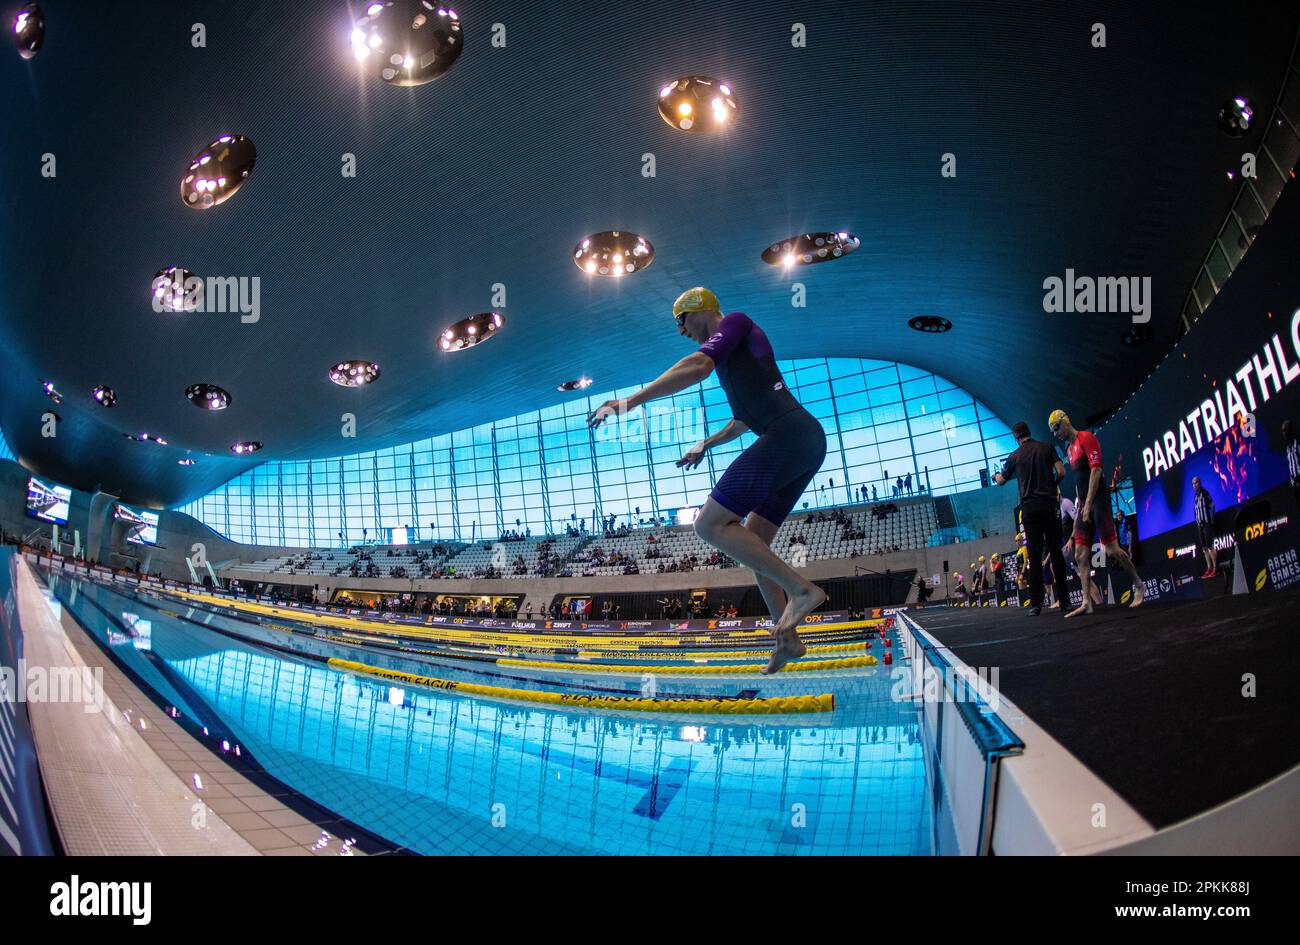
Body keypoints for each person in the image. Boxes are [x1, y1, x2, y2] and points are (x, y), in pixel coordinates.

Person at [588, 287, 827, 673]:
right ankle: (787, 636)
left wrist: (628, 402)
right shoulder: (737, 360)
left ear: (697, 310)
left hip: (789, 435)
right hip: (801, 441)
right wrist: (706, 444)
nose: (682, 331)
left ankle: (801, 590)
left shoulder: (735, 322)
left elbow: (697, 367)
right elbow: (743, 422)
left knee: (708, 524)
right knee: (756, 544)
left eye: (680, 322)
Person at [1049, 410, 1143, 616]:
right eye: (1052, 431)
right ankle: (1087, 602)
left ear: (1065, 422)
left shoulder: (1086, 438)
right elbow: (1078, 483)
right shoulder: (1070, 450)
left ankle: (1138, 584)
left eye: (1056, 428)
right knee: (1080, 554)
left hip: (1098, 501)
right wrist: (1081, 505)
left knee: (1112, 550)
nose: (1055, 434)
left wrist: (1090, 502)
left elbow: (1096, 471)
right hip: (1085, 504)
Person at [994, 421, 1069, 615]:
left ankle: (1036, 604)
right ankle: (1065, 601)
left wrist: (995, 476)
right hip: (1049, 504)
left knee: (1034, 556)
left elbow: (1001, 481)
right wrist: (1052, 486)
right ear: (1029, 432)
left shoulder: (1014, 457)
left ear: (1015, 437)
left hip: (1029, 508)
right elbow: (1061, 472)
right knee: (1056, 553)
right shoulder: (1047, 447)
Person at [1193, 475, 1217, 579]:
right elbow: (1196, 511)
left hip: (1207, 523)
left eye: (1196, 482)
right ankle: (1209, 568)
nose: (1194, 485)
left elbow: (1212, 505)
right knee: (1204, 548)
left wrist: (1211, 520)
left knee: (1210, 546)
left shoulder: (1205, 493)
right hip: (1200, 525)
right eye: (1193, 484)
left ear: (1199, 483)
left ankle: (1215, 568)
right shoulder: (1195, 496)